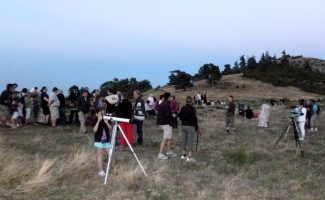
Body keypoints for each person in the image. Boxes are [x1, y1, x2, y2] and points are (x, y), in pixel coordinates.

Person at [178, 96, 200, 162]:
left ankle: (183, 155)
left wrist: (183, 120)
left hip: (183, 126)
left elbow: (179, 116)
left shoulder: (183, 108)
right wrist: (197, 128)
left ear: (186, 101)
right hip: (190, 126)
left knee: (184, 140)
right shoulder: (192, 108)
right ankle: (189, 157)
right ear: (192, 101)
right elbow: (194, 119)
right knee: (190, 141)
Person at [92, 108, 112, 177]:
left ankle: (109, 167)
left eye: (104, 114)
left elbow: (110, 128)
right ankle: (100, 171)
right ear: (97, 114)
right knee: (100, 154)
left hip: (106, 140)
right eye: (101, 114)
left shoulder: (106, 119)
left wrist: (106, 122)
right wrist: (98, 121)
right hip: (98, 140)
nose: (102, 115)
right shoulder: (94, 120)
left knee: (110, 153)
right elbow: (94, 130)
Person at [157, 92, 176, 160]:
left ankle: (168, 151)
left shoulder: (164, 103)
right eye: (171, 96)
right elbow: (167, 115)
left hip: (165, 123)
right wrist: (173, 117)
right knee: (165, 138)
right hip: (166, 123)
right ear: (168, 97)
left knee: (169, 138)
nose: (171, 97)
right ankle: (160, 154)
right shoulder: (165, 104)